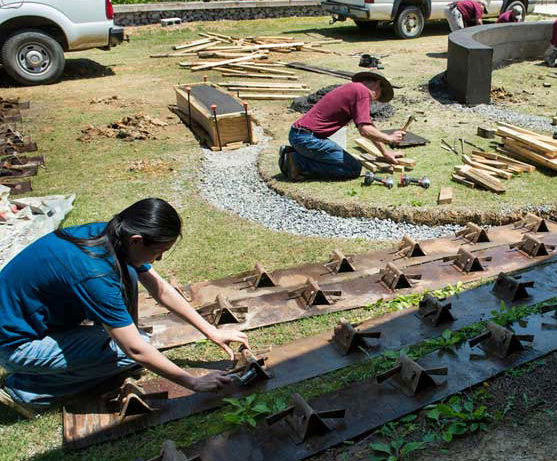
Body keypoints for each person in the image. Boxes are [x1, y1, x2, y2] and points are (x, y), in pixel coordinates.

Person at [0, 198, 248, 417]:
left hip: (26, 324)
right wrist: (193, 382)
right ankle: (26, 390)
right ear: (137, 241)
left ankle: (58, 365)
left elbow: (159, 288)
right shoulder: (95, 274)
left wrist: (210, 331)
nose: (158, 259)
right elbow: (134, 350)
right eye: (158, 252)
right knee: (128, 355)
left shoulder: (110, 234)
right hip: (16, 344)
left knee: (132, 327)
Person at [279, 72, 404, 181]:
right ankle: (298, 162)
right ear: (377, 84)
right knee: (352, 168)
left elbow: (370, 127)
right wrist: (389, 138)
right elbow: (365, 130)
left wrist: (385, 152)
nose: (376, 99)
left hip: (300, 135)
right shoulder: (363, 92)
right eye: (380, 94)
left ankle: (295, 155)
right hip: (308, 139)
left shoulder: (354, 89)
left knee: (342, 162)